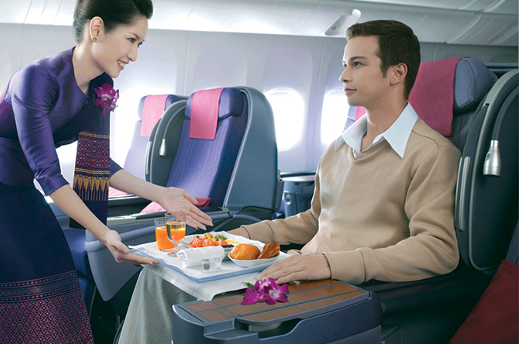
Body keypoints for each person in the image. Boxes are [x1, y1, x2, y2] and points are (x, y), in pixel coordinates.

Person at [117, 19, 461, 344]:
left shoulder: (430, 153)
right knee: (159, 279)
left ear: (396, 73)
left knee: (206, 320)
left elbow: (438, 249)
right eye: (344, 64)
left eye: (357, 64)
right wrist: (236, 235)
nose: (343, 76)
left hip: (340, 285)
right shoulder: (341, 146)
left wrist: (329, 264)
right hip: (297, 268)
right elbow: (313, 221)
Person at [0, 0, 212, 344]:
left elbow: (98, 164)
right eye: (131, 40)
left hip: (17, 185)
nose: (134, 55)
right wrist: (104, 233)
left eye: (140, 44)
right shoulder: (38, 79)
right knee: (2, 287)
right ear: (97, 29)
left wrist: (162, 194)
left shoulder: (102, 87)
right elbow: (48, 174)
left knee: (56, 272)